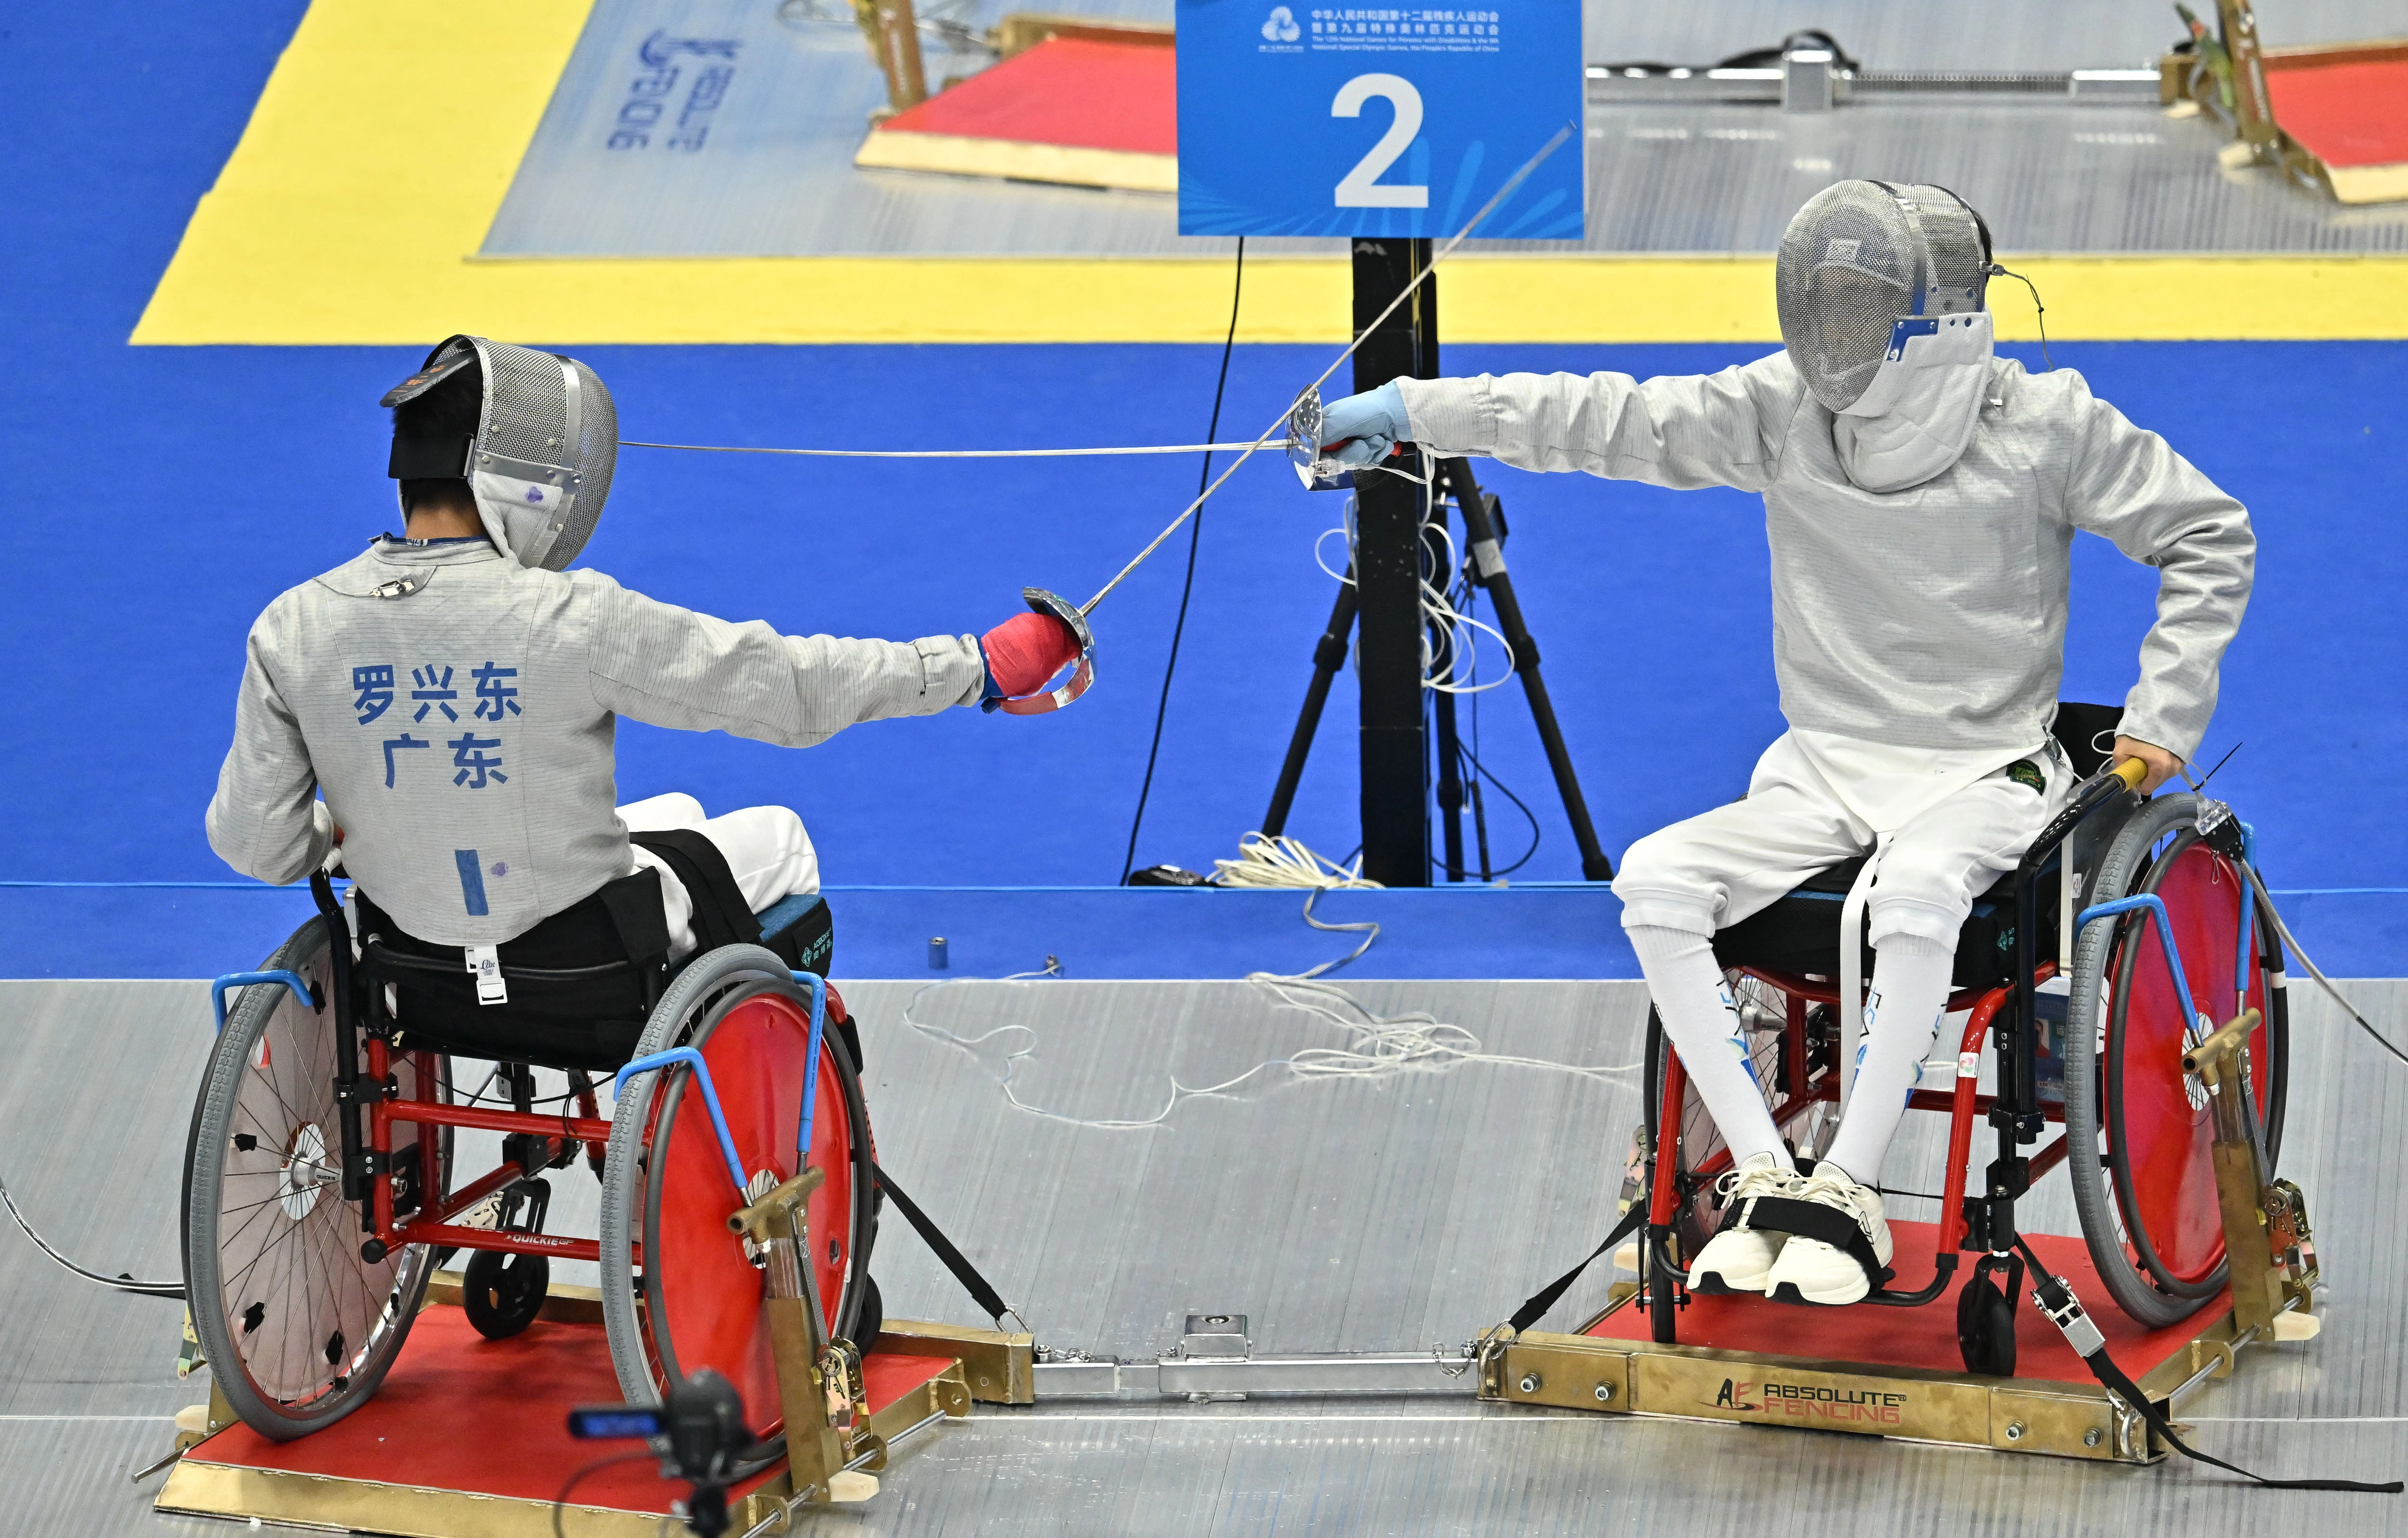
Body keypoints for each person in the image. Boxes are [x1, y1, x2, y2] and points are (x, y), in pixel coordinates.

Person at [1312, 182, 2252, 1305]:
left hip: (1982, 768)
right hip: (1823, 763)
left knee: (1915, 895)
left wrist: (2163, 711)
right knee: (1656, 880)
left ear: (1935, 314)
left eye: (1862, 308)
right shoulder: (1780, 405)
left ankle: (1848, 1186)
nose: (1833, 337)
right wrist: (1418, 409)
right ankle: (1764, 1170)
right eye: (1826, 305)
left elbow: (2207, 530)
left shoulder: (2043, 423)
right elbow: (1600, 416)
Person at [207, 335, 1080, 1040]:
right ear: (514, 481)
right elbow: (787, 687)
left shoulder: (293, 624)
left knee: (685, 812)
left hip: (413, 965)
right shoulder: (568, 616)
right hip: (586, 962)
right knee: (779, 836)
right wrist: (973, 665)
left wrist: (362, 824)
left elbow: (261, 845)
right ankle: (782, 1119)